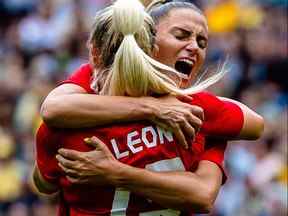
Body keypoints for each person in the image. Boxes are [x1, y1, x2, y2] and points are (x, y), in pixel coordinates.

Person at [33, 0, 264, 215]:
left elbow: (43, 183)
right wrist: (154, 107)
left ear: (94, 53)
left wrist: (116, 172)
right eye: (181, 35)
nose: (194, 47)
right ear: (151, 47)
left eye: (202, 42)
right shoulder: (195, 111)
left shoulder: (63, 127)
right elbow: (255, 124)